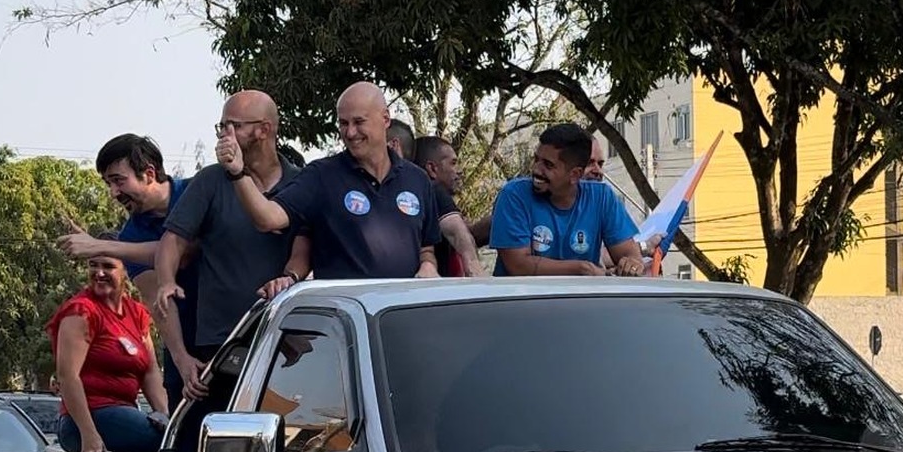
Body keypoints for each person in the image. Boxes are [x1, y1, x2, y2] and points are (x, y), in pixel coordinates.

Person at [154, 90, 308, 396]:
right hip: (222, 346)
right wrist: (167, 281)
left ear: (264, 130)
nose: (225, 136)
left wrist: (289, 279)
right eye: (221, 127)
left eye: (233, 126)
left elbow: (305, 252)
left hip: (286, 342)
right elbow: (171, 242)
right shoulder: (211, 180)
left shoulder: (302, 182)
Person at [226, 81, 441, 280]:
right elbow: (267, 218)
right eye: (343, 123)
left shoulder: (417, 179)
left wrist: (429, 266)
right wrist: (237, 172)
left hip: (398, 315)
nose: (350, 132)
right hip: (343, 317)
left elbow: (426, 249)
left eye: (359, 122)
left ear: (385, 119)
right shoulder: (322, 175)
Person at [56, 134, 200, 413]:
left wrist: (102, 246)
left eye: (119, 181)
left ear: (148, 173)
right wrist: (181, 357)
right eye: (108, 183)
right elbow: (158, 301)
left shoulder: (196, 193)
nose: (113, 193)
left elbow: (186, 248)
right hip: (189, 339)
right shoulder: (132, 234)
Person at [46, 231, 169, 452]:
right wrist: (89, 436)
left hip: (123, 414)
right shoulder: (81, 311)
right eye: (93, 265)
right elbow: (67, 377)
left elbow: (150, 372)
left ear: (125, 271)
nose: (99, 273)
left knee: (177, 438)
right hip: (87, 418)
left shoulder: (137, 313)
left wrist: (165, 416)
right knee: (165, 444)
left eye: (108, 266)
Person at [489, 123, 645, 277]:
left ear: (575, 174)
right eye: (536, 159)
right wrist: (582, 269)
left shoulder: (602, 197)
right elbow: (518, 266)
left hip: (580, 301)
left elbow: (630, 256)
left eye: (548, 165)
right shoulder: (514, 194)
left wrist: (631, 265)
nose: (536, 169)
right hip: (523, 300)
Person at [413, 134, 486, 277]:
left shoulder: (413, 195)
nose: (459, 170)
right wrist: (479, 278)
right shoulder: (435, 191)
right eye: (453, 163)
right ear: (432, 168)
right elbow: (458, 234)